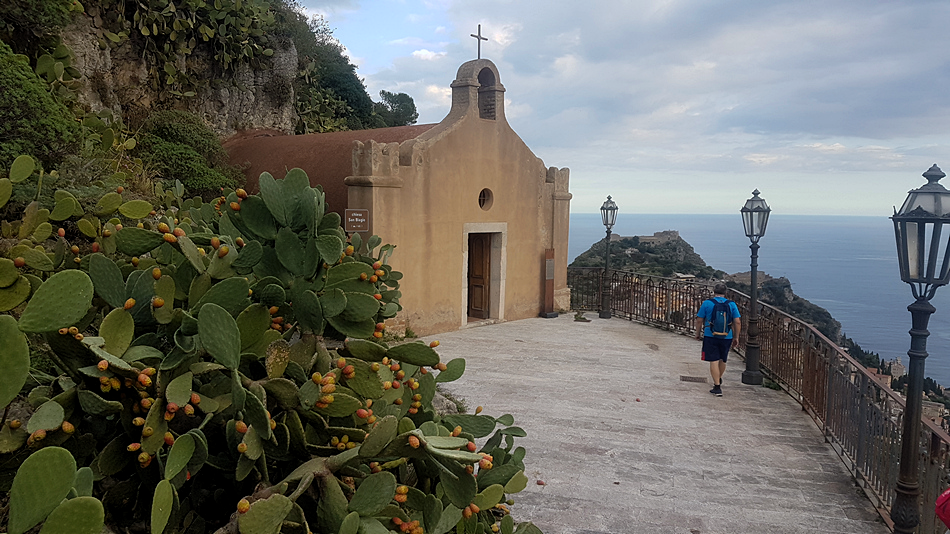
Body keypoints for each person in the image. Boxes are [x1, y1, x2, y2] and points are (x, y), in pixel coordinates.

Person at [695, 283, 741, 397]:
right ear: (725, 292)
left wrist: (697, 333)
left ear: (713, 291)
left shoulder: (707, 303)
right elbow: (737, 322)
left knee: (713, 360)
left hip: (710, 335)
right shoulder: (732, 304)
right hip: (727, 336)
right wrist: (736, 337)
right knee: (722, 359)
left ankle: (717, 387)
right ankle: (718, 378)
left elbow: (699, 320)